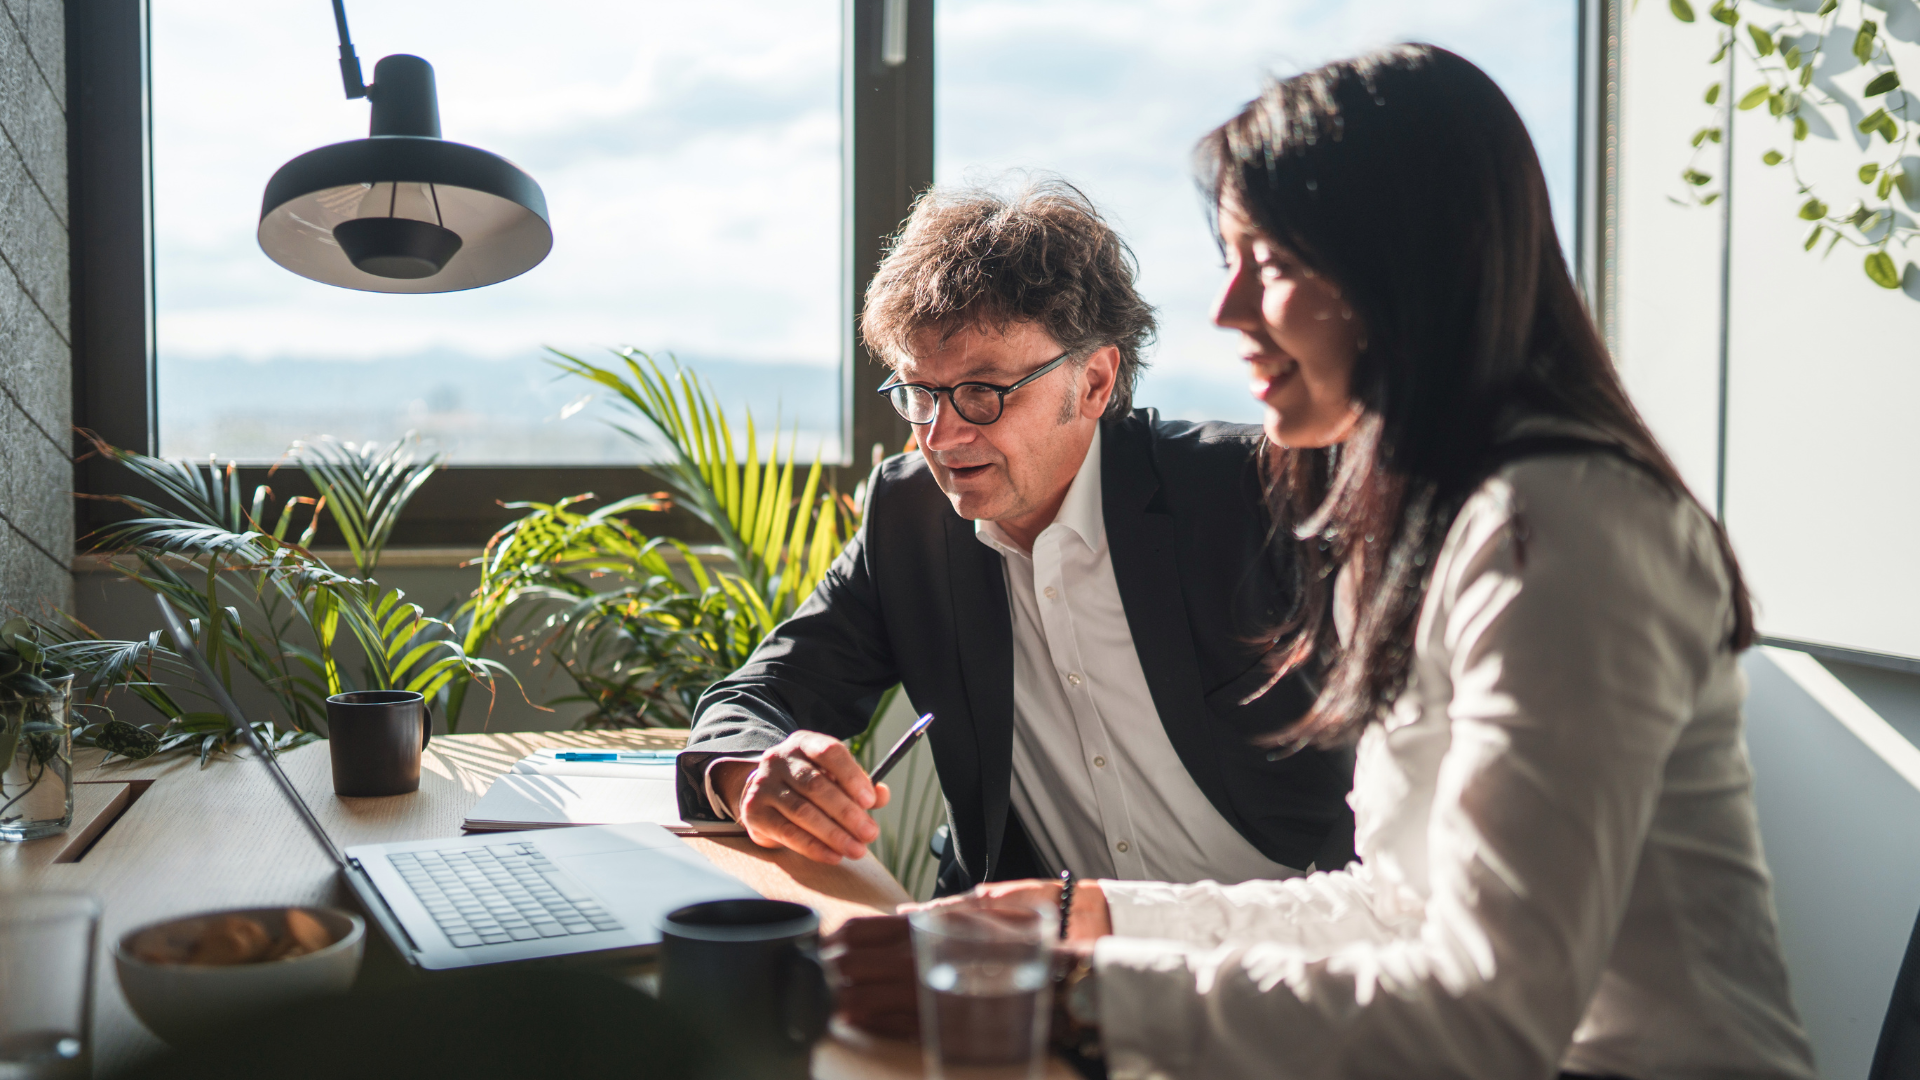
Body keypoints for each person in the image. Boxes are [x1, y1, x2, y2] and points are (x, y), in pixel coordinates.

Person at [831, 45, 1820, 1080]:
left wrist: (1073, 997)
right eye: (1231, 265)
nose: (1229, 315)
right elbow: (1392, 905)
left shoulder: (1565, 529)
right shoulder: (1428, 519)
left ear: (1408, 272)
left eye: (1275, 266)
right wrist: (1085, 916)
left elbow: (1491, 1017)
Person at [674, 180, 1356, 897]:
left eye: (984, 392)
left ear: (1094, 383)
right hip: (1043, 963)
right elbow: (759, 695)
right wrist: (756, 773)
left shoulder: (1256, 494)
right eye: (918, 392)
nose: (942, 435)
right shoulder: (910, 522)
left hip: (1293, 942)